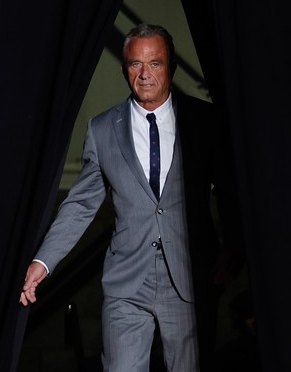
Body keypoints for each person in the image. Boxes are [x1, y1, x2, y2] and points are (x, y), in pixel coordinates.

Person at [19, 24, 242, 371]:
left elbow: (230, 190)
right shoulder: (103, 129)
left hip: (189, 280)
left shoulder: (203, 122)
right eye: (136, 64)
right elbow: (80, 205)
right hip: (127, 283)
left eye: (155, 63)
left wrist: (234, 245)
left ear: (171, 67)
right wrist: (43, 262)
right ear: (124, 69)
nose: (145, 74)